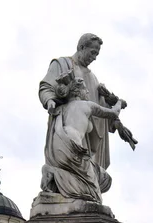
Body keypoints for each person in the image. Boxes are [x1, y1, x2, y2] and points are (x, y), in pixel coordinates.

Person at [39, 33, 137, 188]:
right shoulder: (62, 64)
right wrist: (49, 100)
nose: (95, 57)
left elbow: (101, 109)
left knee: (86, 180)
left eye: (97, 54)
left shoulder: (93, 79)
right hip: (66, 128)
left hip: (89, 137)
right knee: (74, 173)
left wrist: (118, 126)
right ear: (81, 47)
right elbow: (46, 86)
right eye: (93, 52)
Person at [41, 74, 122, 203]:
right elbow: (113, 113)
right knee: (93, 191)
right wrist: (119, 102)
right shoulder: (87, 105)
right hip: (73, 144)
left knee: (77, 175)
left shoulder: (61, 108)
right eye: (85, 89)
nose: (88, 91)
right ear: (77, 91)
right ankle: (55, 174)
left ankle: (53, 172)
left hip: (58, 142)